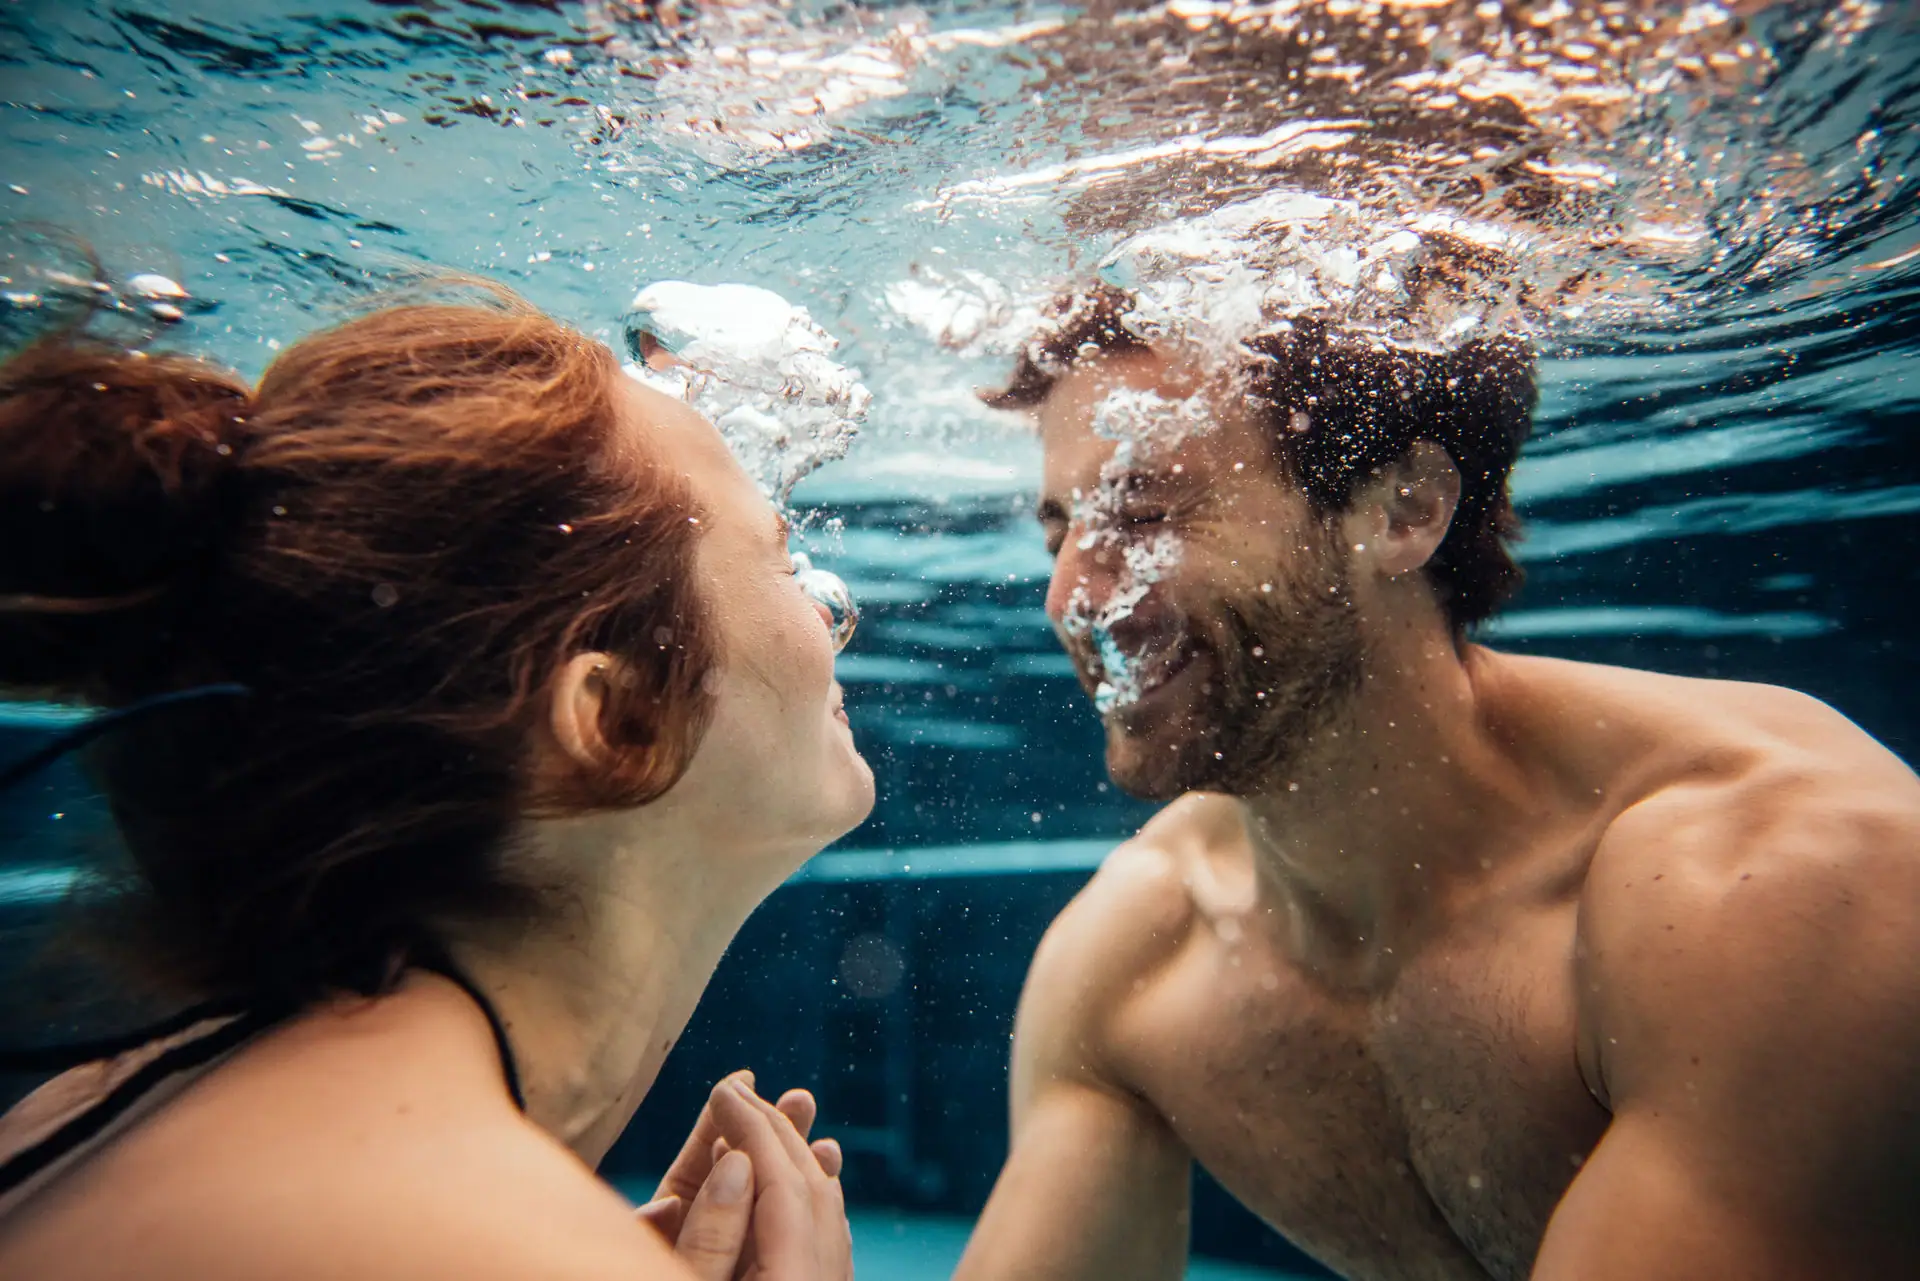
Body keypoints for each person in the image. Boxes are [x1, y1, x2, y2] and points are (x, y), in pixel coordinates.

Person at [954, 288, 1920, 1280]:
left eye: (1148, 514)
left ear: (1406, 509)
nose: (1069, 598)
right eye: (1058, 532)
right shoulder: (1134, 964)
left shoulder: (1773, 886)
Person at [0, 285, 869, 1281]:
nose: (836, 617)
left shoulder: (95, 1109)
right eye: (780, 559)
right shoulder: (487, 1249)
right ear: (615, 721)